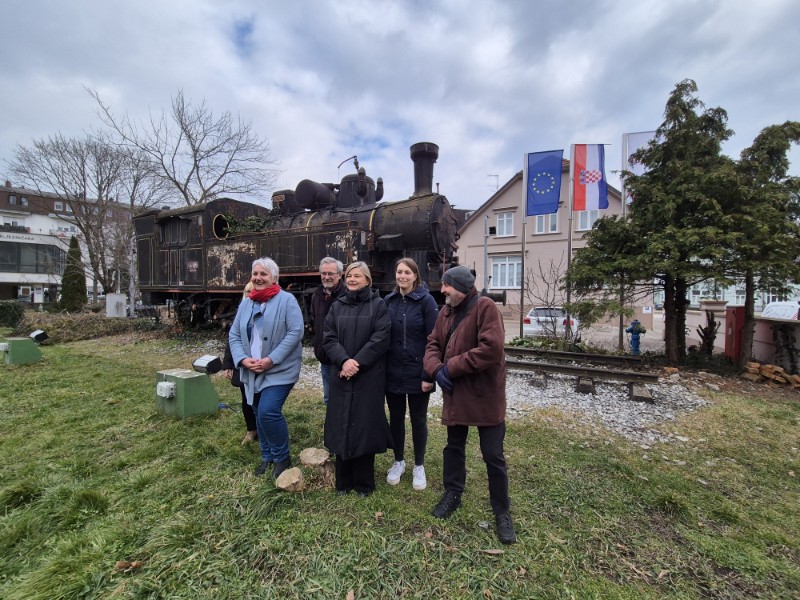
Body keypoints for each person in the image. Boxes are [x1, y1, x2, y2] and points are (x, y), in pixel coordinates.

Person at [423, 265, 517, 544]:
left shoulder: (485, 307)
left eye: (446, 285)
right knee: (454, 447)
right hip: (457, 394)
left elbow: (491, 349)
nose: (442, 290)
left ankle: (502, 511)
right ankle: (453, 494)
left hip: (484, 394)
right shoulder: (445, 312)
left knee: (493, 455)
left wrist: (449, 368)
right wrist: (435, 369)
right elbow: (432, 345)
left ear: (460, 287)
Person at [229, 257, 304, 479]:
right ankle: (267, 456)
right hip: (251, 370)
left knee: (268, 412)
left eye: (264, 274)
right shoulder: (246, 303)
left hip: (279, 370)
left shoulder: (287, 300)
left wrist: (271, 359)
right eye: (255, 274)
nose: (258, 278)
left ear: (274, 278)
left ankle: (282, 458)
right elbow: (233, 335)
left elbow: (295, 332)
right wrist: (242, 360)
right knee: (256, 412)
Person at [322, 261, 392, 497]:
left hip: (367, 376)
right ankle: (343, 482)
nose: (352, 279)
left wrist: (357, 363)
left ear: (368, 280)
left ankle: (364, 484)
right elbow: (328, 337)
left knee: (364, 427)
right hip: (341, 374)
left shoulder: (378, 305)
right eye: (350, 275)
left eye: (358, 276)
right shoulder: (337, 306)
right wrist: (343, 361)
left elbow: (381, 338)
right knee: (342, 424)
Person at [384, 257, 438, 491]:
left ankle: (419, 465)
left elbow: (434, 341)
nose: (402, 276)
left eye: (407, 272)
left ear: (415, 276)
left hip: (419, 372)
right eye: (399, 272)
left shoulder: (427, 302)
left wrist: (429, 375)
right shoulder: (388, 301)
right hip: (393, 370)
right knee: (395, 418)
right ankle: (398, 461)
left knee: (418, 419)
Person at [222, 282, 258, 445]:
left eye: (253, 291)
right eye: (247, 291)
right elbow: (232, 340)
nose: (250, 294)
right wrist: (228, 364)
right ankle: (251, 430)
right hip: (243, 365)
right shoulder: (240, 313)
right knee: (246, 400)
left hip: (261, 365)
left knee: (262, 401)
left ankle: (264, 429)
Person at [309, 257, 345, 404]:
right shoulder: (316, 296)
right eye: (323, 273)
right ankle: (332, 426)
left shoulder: (347, 295)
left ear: (340, 274)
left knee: (344, 398)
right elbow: (315, 321)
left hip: (343, 356)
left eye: (330, 273)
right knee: (329, 398)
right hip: (324, 355)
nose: (326, 277)